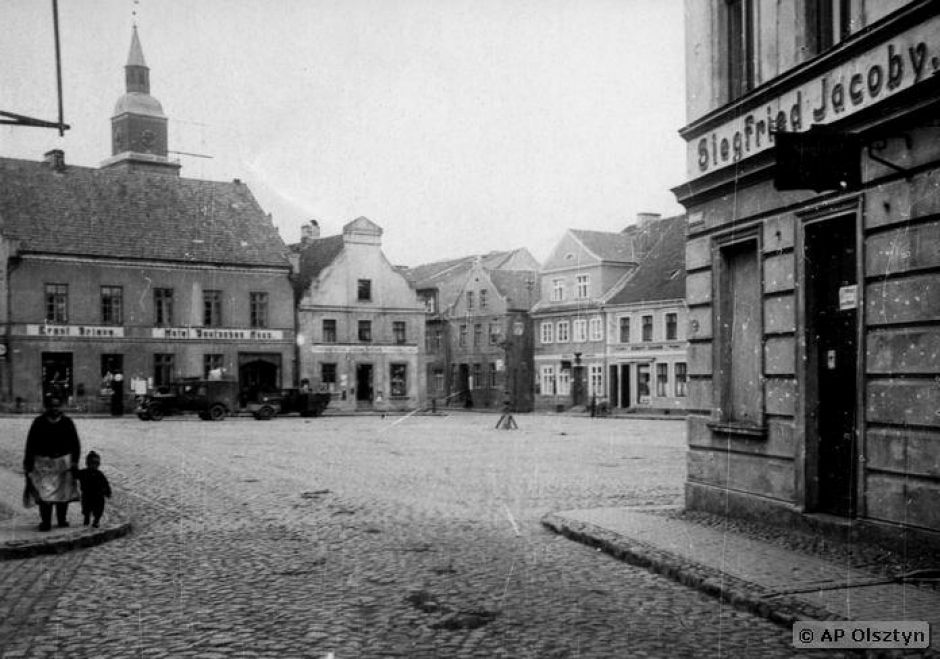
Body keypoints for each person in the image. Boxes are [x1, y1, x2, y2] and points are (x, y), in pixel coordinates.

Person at [23, 395, 81, 531]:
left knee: (63, 494)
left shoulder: (67, 422)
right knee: (45, 494)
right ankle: (46, 521)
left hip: (63, 463)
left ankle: (62, 519)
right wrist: (28, 462)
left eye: (57, 406)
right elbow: (31, 443)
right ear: (47, 407)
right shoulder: (39, 422)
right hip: (44, 463)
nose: (55, 409)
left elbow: (75, 443)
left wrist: (74, 461)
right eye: (52, 406)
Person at [77, 451, 112, 528]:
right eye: (92, 463)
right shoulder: (83, 472)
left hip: (98, 495)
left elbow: (105, 483)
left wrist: (107, 492)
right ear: (88, 464)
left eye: (96, 464)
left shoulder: (99, 474)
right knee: (86, 508)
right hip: (87, 494)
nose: (94, 466)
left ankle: (96, 520)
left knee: (98, 509)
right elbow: (75, 475)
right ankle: (86, 517)